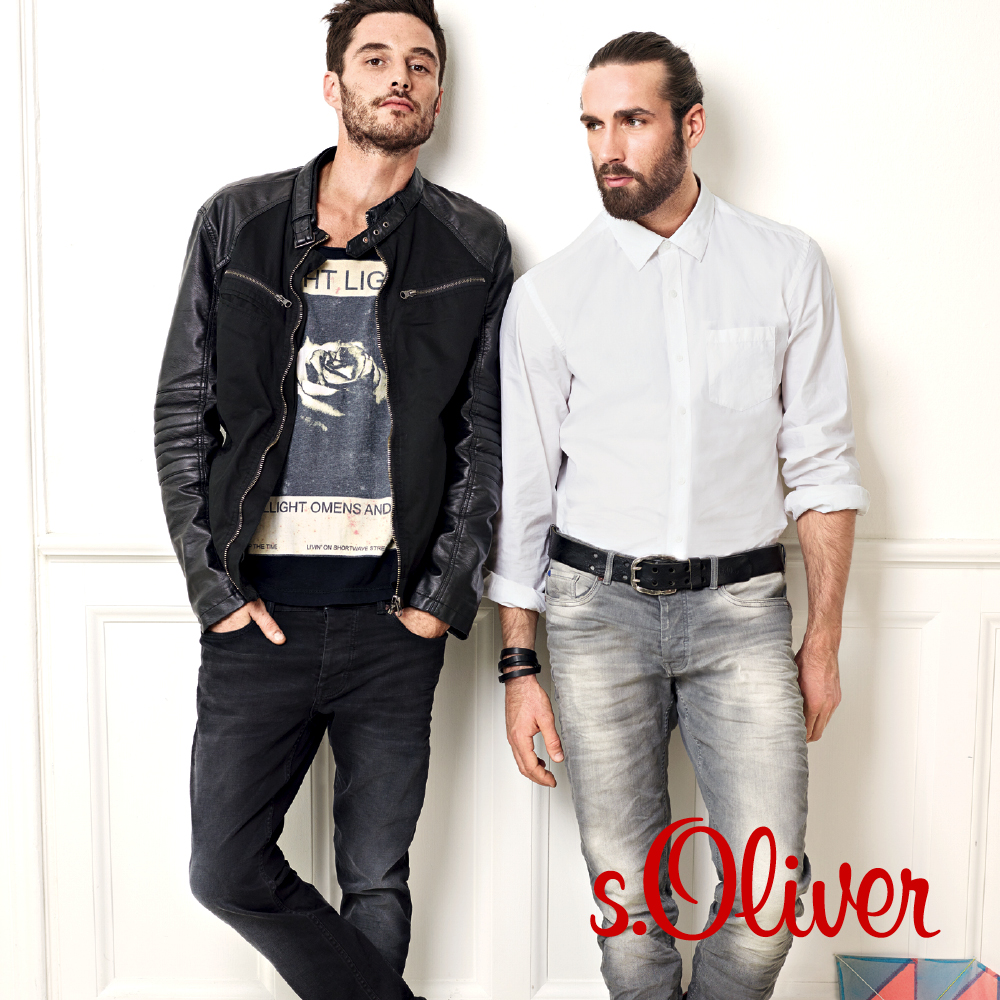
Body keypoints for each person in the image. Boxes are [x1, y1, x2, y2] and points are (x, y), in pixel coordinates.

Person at [485, 31, 869, 1000]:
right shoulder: (549, 297)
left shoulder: (785, 265)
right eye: (591, 124)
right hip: (593, 615)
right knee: (632, 928)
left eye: (632, 120)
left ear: (690, 125)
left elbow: (821, 464)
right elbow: (524, 495)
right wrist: (519, 669)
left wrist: (822, 640)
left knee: (766, 909)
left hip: (741, 614)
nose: (607, 147)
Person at [153, 1, 512, 997]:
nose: (399, 77)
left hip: (391, 620)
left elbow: (488, 437)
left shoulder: (472, 244)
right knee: (223, 868)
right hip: (257, 616)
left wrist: (438, 599)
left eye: (420, 64)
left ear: (436, 94)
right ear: (333, 84)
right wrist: (213, 589)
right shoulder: (237, 223)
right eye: (375, 58)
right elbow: (184, 409)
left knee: (376, 878)